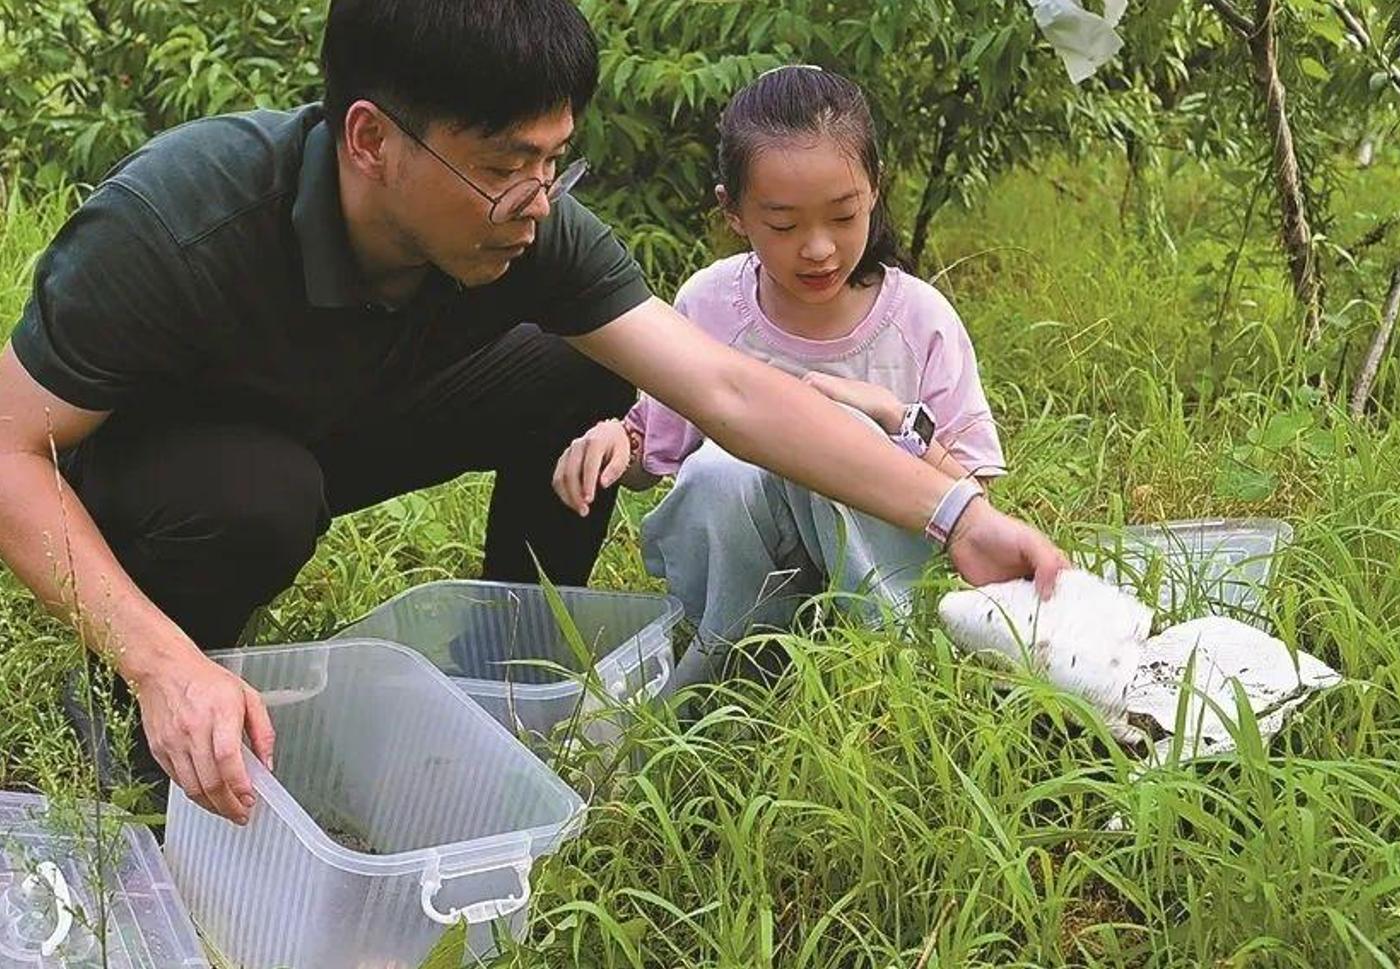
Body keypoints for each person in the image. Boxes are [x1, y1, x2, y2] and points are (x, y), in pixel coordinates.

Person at [0, 0, 1066, 826]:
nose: (538, 198)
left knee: (574, 375)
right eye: (507, 165)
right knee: (255, 499)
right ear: (371, 139)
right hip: (170, 476)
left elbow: (732, 391)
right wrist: (159, 663)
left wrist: (956, 517)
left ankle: (516, 675)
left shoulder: (526, 228)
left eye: (554, 159)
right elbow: (8, 452)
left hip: (344, 425)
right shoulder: (175, 222)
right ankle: (141, 723)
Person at [553, 67, 1009, 688]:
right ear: (734, 211)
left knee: (844, 434)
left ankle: (882, 673)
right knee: (717, 468)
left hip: (885, 601)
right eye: (785, 225)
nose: (818, 248)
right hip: (746, 584)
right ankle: (730, 665)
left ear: (875, 190)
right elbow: (657, 453)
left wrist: (895, 421)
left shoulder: (920, 320)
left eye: (843, 217)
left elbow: (972, 492)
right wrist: (615, 442)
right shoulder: (710, 305)